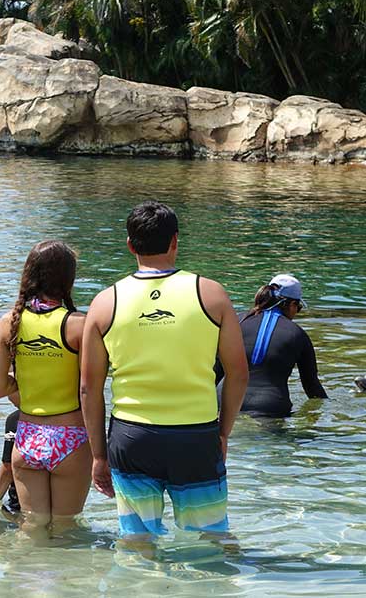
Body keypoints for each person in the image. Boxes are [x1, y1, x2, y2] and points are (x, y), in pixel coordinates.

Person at [81, 201, 249, 538]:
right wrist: (223, 433)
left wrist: (99, 455)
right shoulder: (211, 294)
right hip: (196, 434)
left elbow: (89, 388)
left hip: (132, 438)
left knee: (137, 539)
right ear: (175, 241)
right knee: (210, 537)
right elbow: (238, 373)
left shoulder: (104, 302)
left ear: (129, 245)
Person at [0, 240, 90, 531]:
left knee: (32, 530)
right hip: (71, 438)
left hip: (28, 437)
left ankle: (21, 574)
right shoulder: (79, 324)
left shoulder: (10, 322)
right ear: (68, 279)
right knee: (66, 531)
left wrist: (28, 387)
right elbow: (88, 390)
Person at [218, 274, 326, 418]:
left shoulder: (236, 321)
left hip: (223, 401)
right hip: (271, 408)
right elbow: (311, 387)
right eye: (298, 307)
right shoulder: (298, 335)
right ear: (292, 304)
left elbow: (215, 370)